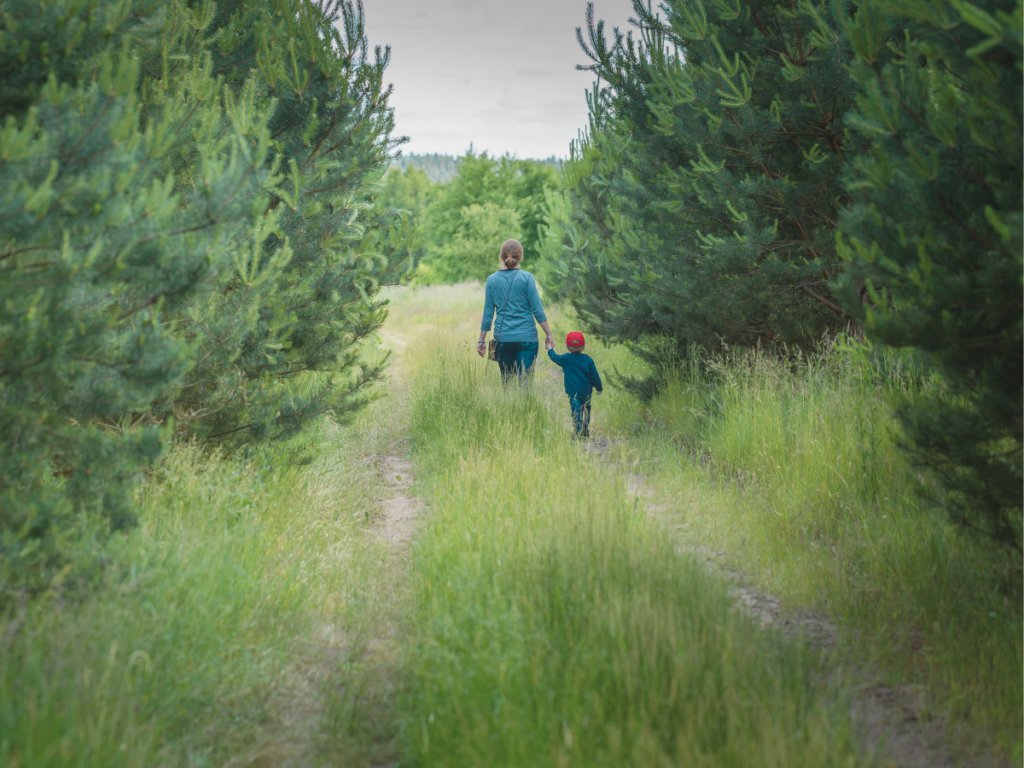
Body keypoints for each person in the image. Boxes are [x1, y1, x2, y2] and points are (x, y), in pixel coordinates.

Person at [477, 239, 554, 382]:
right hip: (527, 339)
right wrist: (548, 334)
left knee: (508, 384)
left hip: (503, 339)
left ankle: (510, 405)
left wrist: (481, 340)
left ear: (501, 256)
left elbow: (488, 314)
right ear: (520, 257)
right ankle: (524, 405)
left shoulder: (492, 280)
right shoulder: (527, 278)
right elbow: (537, 310)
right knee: (525, 384)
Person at [547, 331, 603, 438]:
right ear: (583, 346)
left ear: (567, 346)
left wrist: (549, 348)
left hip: (573, 392)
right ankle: (585, 428)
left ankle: (578, 432)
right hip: (587, 391)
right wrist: (599, 387)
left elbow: (554, 357)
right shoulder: (588, 359)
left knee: (576, 411)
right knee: (586, 409)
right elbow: (595, 376)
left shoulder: (566, 358)